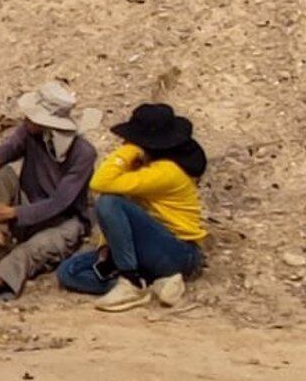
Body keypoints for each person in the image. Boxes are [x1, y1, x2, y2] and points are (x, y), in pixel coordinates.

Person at [0, 81, 99, 306]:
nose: (26, 119)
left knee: (29, 252)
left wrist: (12, 212)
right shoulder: (29, 134)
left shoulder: (83, 154)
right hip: (28, 207)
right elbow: (5, 151)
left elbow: (60, 202)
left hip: (65, 222)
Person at [56, 104, 208, 312]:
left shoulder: (167, 172)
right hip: (148, 249)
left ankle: (132, 283)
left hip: (178, 251)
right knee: (69, 272)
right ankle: (152, 284)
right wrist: (105, 245)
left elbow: (100, 182)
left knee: (108, 201)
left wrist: (129, 151)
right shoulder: (145, 169)